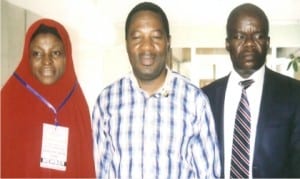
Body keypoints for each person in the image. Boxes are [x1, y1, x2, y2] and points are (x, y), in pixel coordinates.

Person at [92, 2, 220, 178]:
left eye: (156, 37)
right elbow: (99, 171)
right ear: (127, 44)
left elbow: (208, 174)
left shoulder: (194, 100)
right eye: (137, 37)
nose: (147, 47)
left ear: (168, 42)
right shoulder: (106, 101)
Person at [202, 3, 300, 178]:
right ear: (227, 43)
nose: (249, 44)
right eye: (239, 36)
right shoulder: (206, 97)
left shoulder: (294, 94)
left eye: (258, 36)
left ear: (268, 42)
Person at [1, 18, 95, 177]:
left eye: (56, 53)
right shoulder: (7, 101)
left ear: (67, 57)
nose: (46, 61)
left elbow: (84, 167)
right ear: (27, 57)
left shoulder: (77, 105)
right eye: (37, 53)